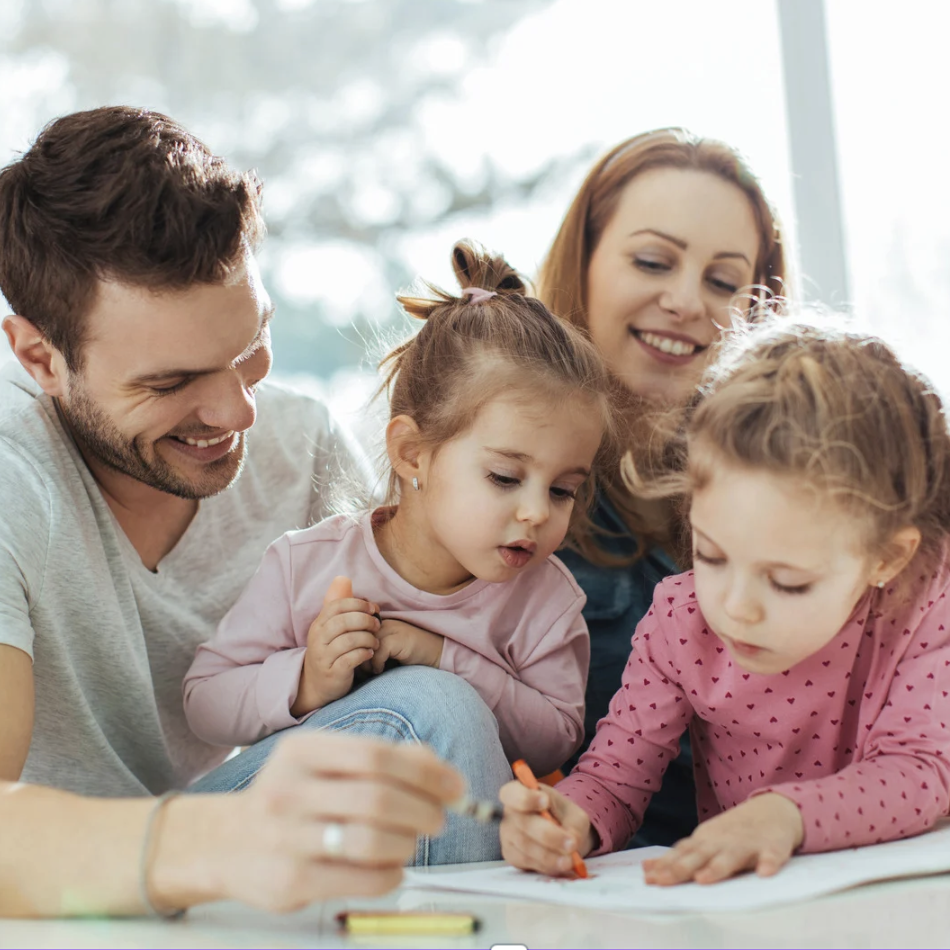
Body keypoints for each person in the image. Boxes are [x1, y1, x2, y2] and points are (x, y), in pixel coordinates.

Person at [0, 106, 510, 917]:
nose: (239, 413)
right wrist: (212, 845)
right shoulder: (9, 480)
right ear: (39, 358)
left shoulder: (301, 445)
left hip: (233, 863)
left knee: (434, 711)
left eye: (250, 352)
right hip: (61, 889)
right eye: (170, 384)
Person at [499, 318, 950, 884]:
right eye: (712, 556)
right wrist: (569, 819)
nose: (736, 606)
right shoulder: (681, 618)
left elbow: (920, 770)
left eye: (787, 582)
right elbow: (614, 780)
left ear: (887, 558)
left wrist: (782, 816)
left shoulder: (927, 604)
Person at [184, 241, 614, 778]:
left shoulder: (545, 601)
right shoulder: (306, 566)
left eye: (562, 490)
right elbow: (204, 703)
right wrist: (307, 679)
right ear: (413, 453)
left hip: (446, 838)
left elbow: (556, 742)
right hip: (295, 829)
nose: (535, 512)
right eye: (505, 477)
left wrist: (442, 659)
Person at [537, 127, 789, 845]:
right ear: (582, 261)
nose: (685, 301)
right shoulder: (494, 483)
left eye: (721, 281)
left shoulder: (798, 489)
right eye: (653, 261)